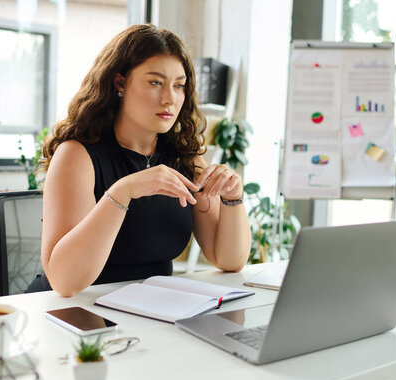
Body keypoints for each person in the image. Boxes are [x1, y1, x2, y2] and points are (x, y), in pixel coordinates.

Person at [35, 24, 251, 297]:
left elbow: (229, 260)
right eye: (155, 82)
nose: (169, 98)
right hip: (79, 314)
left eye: (179, 86)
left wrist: (234, 198)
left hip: (152, 311)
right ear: (120, 83)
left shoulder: (185, 157)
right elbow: (65, 283)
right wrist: (122, 192)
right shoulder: (77, 155)